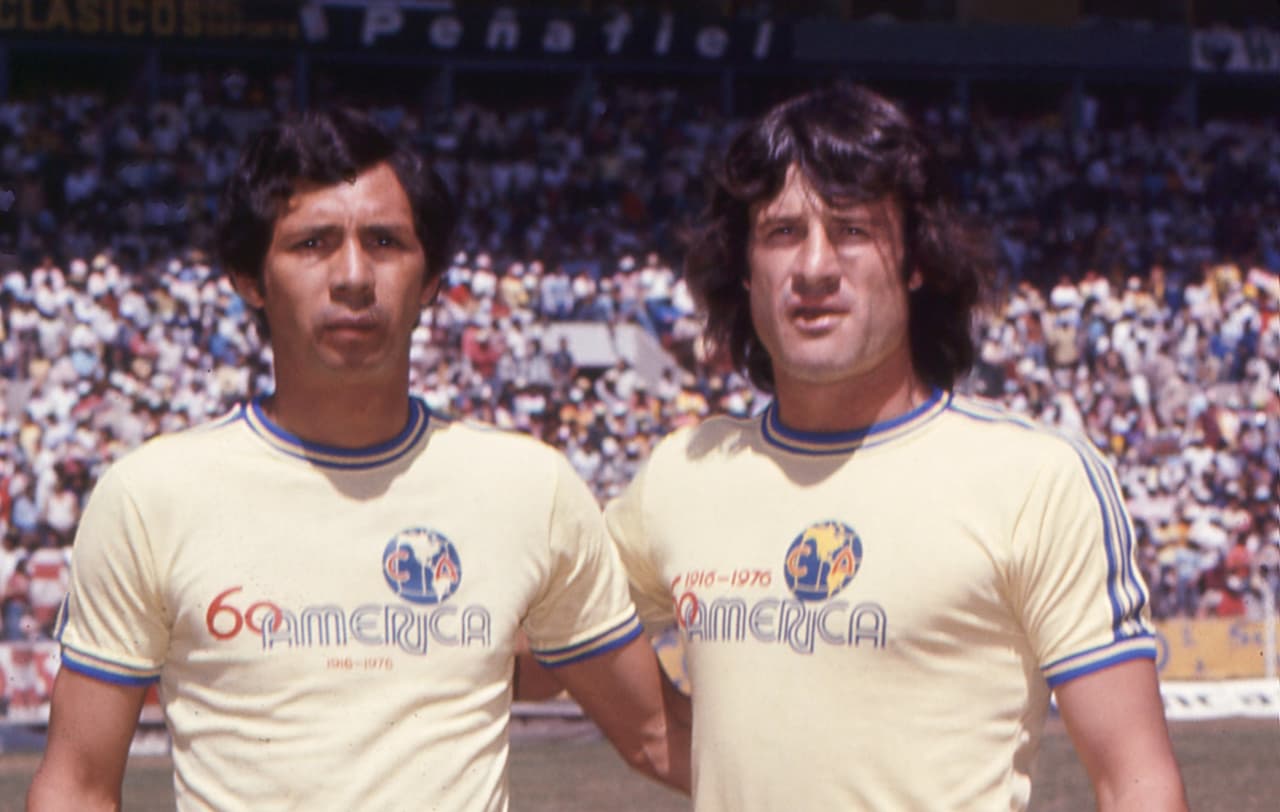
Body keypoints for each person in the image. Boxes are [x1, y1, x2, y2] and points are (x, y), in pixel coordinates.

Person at [28, 108, 688, 811]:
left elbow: (656, 734)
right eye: (312, 243)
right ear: (249, 278)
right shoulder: (151, 495)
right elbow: (77, 785)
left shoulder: (529, 487)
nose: (352, 275)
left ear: (430, 279)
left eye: (385, 242)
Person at [605, 84, 1187, 811]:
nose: (814, 267)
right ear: (746, 268)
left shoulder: (1035, 480)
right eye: (782, 232)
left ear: (917, 260)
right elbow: (543, 647)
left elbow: (1136, 781)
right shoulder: (683, 475)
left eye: (852, 229)